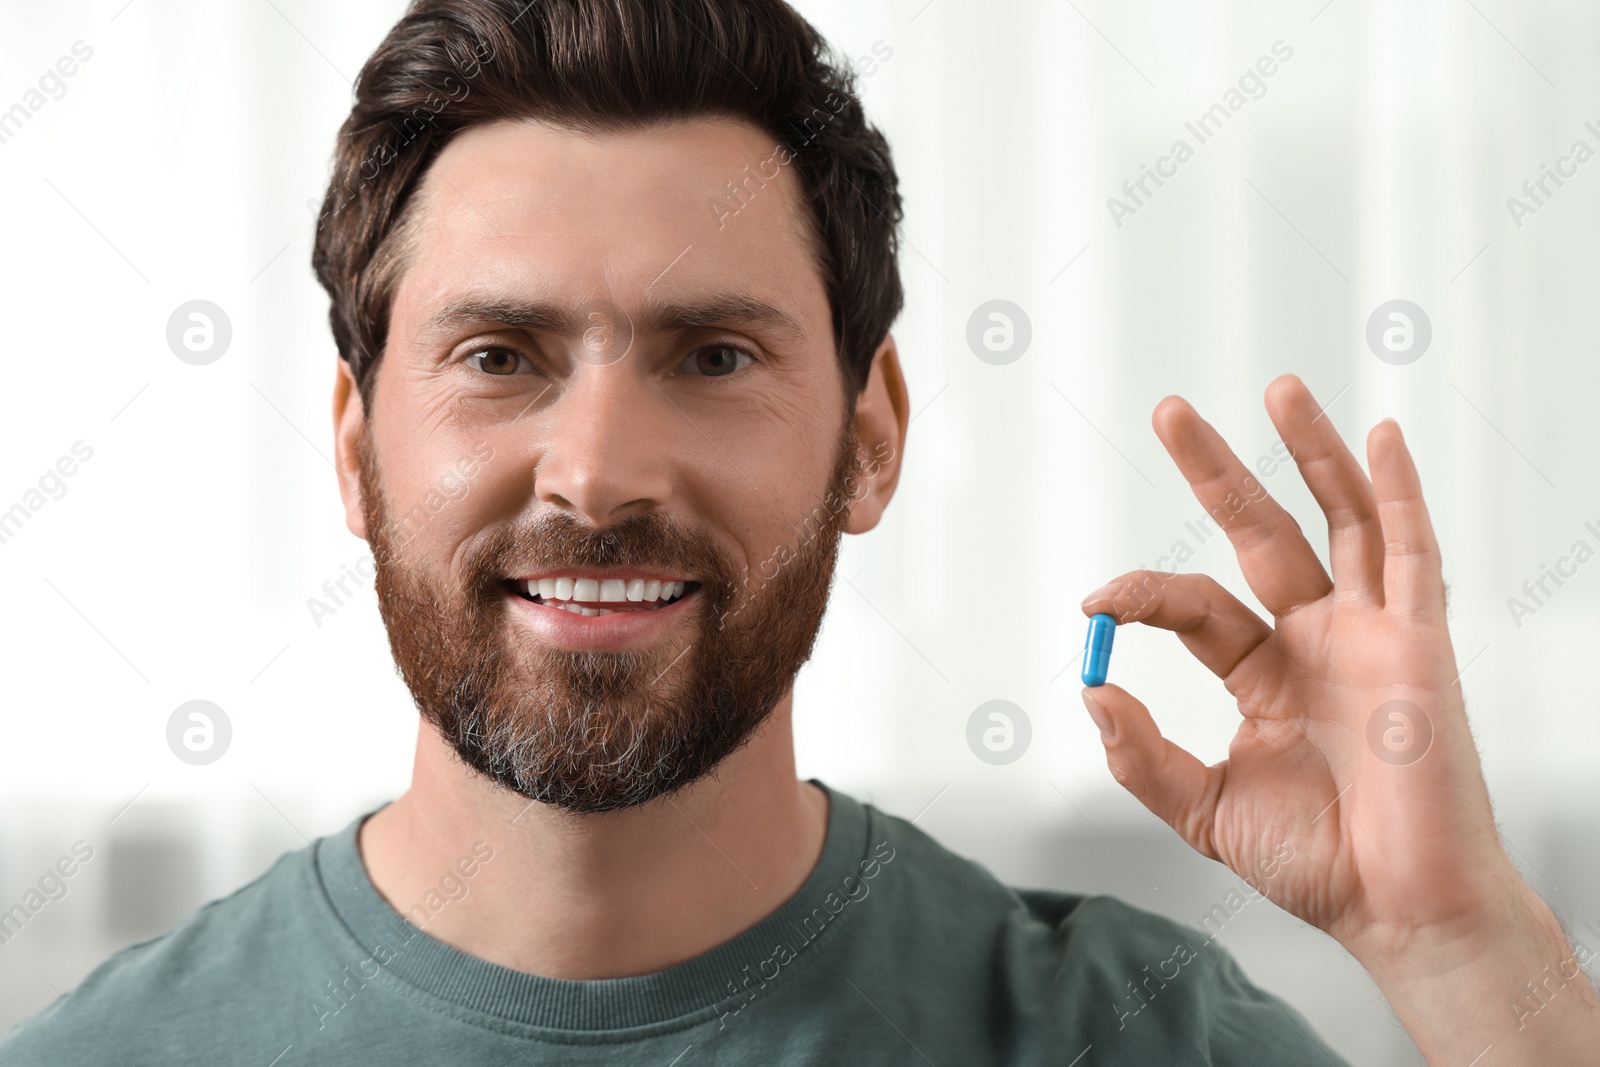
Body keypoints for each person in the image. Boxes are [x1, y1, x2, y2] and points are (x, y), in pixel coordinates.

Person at [3, 0, 1595, 1063]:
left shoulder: (1132, 1036)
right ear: (354, 453)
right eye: (500, 358)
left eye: (713, 356)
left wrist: (1460, 946)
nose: (599, 472)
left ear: (872, 438)